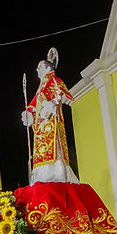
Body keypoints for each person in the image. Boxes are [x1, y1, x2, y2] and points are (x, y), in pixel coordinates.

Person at [20, 47, 78, 184]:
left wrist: (52, 103)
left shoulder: (54, 80)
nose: (37, 70)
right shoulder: (41, 86)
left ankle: (57, 175)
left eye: (39, 67)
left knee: (54, 149)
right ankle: (43, 177)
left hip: (51, 121)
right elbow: (34, 104)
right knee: (41, 151)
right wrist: (28, 113)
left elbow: (60, 96)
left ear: (47, 68)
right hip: (41, 125)